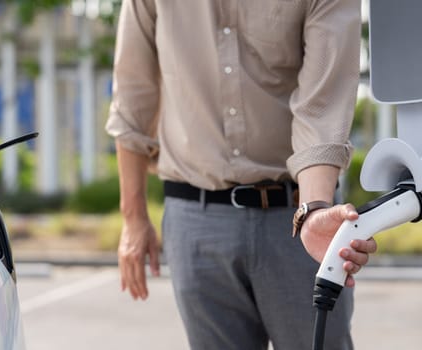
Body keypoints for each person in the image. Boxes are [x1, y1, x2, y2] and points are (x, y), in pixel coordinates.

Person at [106, 0, 377, 349]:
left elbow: (321, 109)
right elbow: (132, 96)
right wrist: (134, 217)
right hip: (196, 219)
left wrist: (313, 210)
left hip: (295, 218)